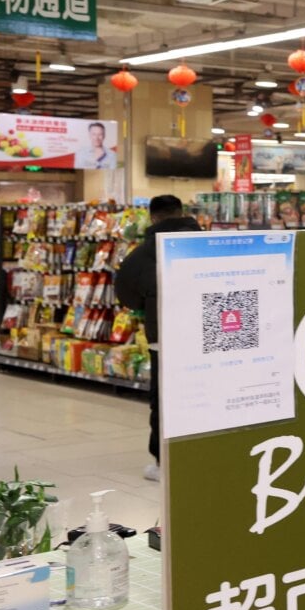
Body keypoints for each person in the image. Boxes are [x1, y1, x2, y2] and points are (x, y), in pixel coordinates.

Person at [115, 195, 201, 482]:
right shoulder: (207, 244)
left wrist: (146, 302)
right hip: (206, 336)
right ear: (182, 213)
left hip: (163, 338)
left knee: (163, 399)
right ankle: (202, 453)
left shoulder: (142, 254)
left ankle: (163, 463)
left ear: (153, 218)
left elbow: (126, 295)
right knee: (204, 394)